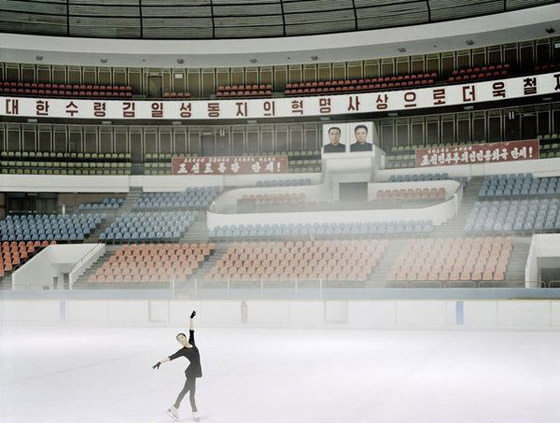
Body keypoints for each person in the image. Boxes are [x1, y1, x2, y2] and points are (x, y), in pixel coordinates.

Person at [153, 310, 202, 422]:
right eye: (179, 340)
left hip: (194, 371)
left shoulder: (192, 342)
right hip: (191, 373)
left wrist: (191, 319)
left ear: (185, 337)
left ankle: (174, 408)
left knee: (185, 391)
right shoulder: (182, 351)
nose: (181, 340)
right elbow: (172, 357)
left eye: (182, 337)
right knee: (192, 394)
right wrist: (160, 362)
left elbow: (192, 331)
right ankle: (195, 413)